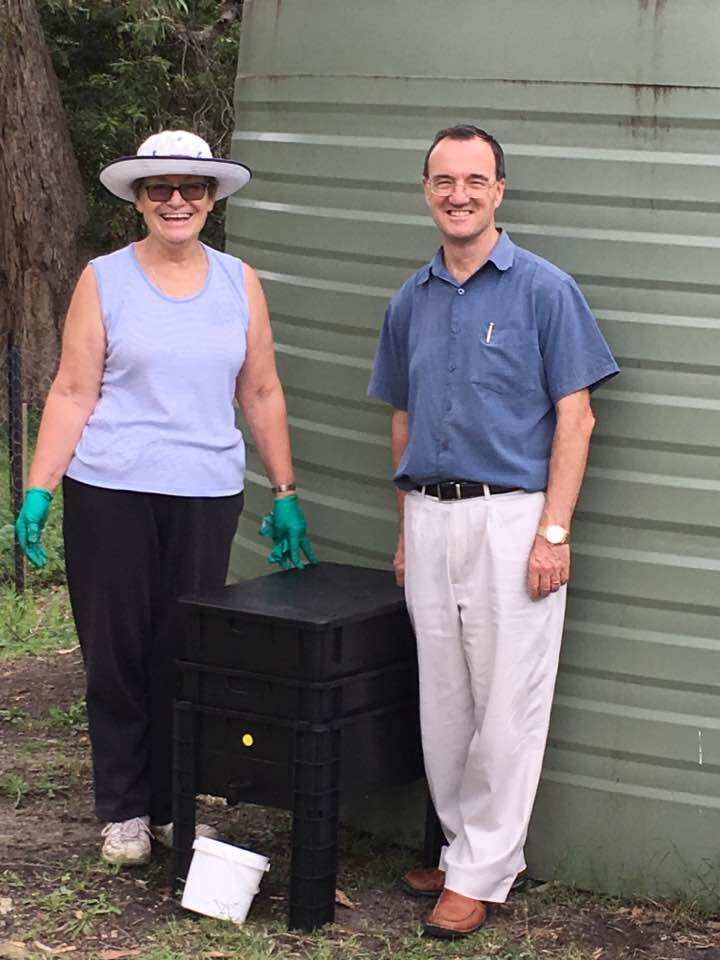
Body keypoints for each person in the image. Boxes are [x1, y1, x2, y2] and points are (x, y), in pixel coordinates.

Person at [15, 130, 316, 866]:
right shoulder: (104, 278)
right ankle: (123, 808)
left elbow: (261, 388)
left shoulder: (238, 281)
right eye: (160, 188)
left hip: (205, 493)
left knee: (185, 654)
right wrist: (37, 488)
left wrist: (285, 491)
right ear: (139, 199)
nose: (177, 200)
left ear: (212, 199)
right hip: (111, 489)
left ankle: (174, 807)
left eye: (193, 188)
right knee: (116, 651)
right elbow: (74, 387)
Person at [368, 124, 619, 939]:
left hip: (514, 518)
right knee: (444, 702)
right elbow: (403, 418)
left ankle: (479, 873)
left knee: (508, 704)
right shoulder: (411, 299)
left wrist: (554, 531)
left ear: (499, 191)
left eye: (476, 180)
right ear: (427, 191)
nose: (459, 194)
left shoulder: (545, 291)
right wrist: (408, 528)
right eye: (444, 180)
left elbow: (576, 419)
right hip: (431, 518)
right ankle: (460, 849)